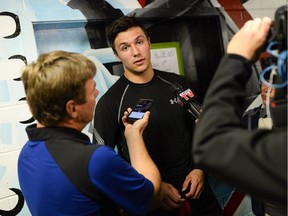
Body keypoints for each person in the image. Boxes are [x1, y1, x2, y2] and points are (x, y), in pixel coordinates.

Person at [93, 15, 223, 216]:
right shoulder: (110, 102)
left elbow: (201, 131)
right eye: (125, 47)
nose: (136, 52)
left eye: (139, 42)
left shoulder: (178, 85)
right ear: (117, 55)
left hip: (198, 195)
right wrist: (152, 187)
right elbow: (102, 164)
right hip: (152, 203)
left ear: (149, 43)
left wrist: (200, 170)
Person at [17, 50, 161, 216]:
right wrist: (134, 136)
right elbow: (151, 197)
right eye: (92, 91)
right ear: (72, 108)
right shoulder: (95, 160)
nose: (97, 94)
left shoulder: (27, 152)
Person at [192, 16, 287, 215]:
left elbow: (212, 145)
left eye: (276, 81)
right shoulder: (250, 117)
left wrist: (237, 57)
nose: (268, 88)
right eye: (265, 81)